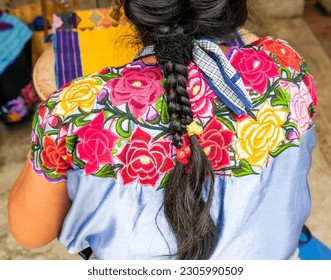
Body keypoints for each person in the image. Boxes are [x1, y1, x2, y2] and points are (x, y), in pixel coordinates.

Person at [8, 0, 317, 260]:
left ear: (127, 8)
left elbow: (31, 232)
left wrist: (50, 131)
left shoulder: (75, 108)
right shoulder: (286, 69)